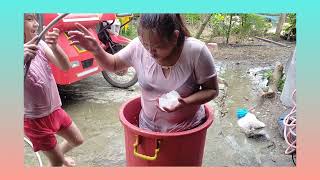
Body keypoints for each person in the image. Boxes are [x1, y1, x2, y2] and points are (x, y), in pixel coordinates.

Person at [68, 14, 219, 132]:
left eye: (157, 47)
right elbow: (113, 64)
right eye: (146, 45)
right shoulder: (138, 46)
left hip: (187, 129)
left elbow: (212, 90)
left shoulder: (195, 52)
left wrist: (184, 102)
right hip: (148, 128)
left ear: (174, 37)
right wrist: (96, 50)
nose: (150, 52)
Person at [24, 13, 84, 166]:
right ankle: (57, 160)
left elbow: (65, 67)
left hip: (55, 109)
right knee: (56, 163)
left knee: (77, 140)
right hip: (34, 119)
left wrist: (55, 46)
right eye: (29, 19)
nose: (36, 24)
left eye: (35, 19)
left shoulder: (40, 44)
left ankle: (58, 156)